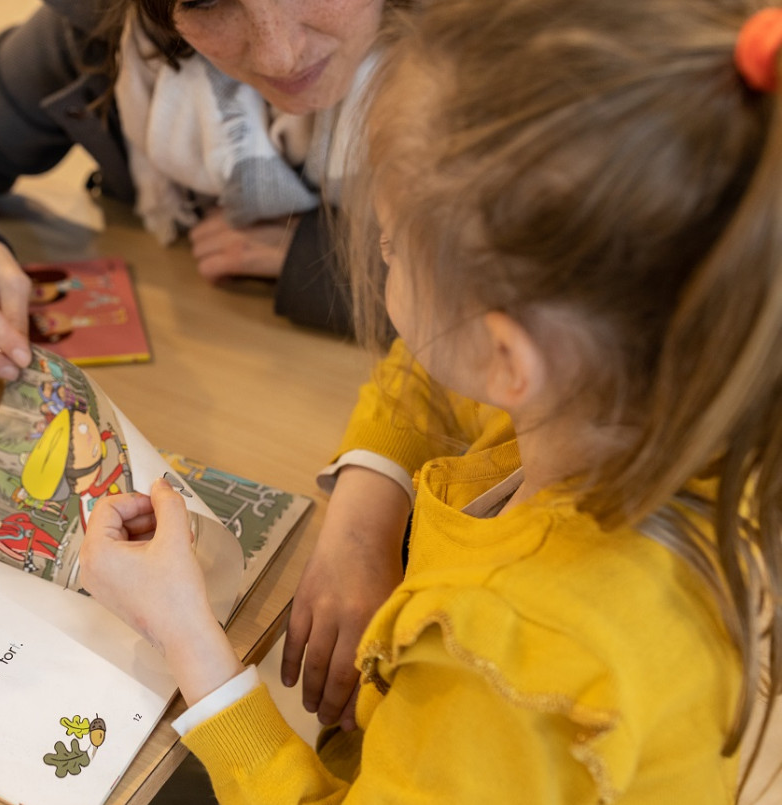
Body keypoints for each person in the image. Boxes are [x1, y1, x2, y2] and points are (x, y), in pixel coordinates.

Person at [79, 0, 782, 800]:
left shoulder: (497, 666)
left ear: (509, 355)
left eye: (390, 245)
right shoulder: (665, 398)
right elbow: (432, 369)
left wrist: (187, 638)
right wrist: (368, 501)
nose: (378, 255)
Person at [0, 0, 391, 383]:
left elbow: (477, 307)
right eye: (208, 2)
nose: (279, 56)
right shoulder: (106, 22)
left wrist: (324, 258)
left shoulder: (472, 51)